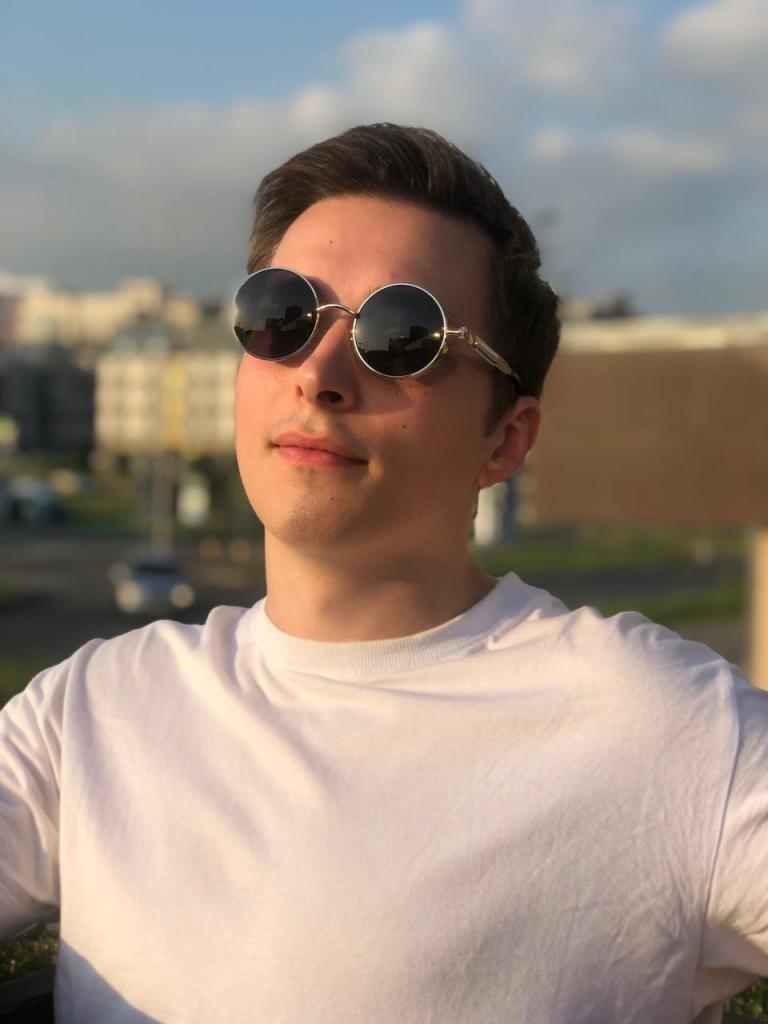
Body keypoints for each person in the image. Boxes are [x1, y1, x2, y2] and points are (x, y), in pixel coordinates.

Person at [1, 123, 767, 1024]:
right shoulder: (89, 713)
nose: (318, 374)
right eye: (282, 314)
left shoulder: (669, 731)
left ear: (504, 439)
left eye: (401, 335)